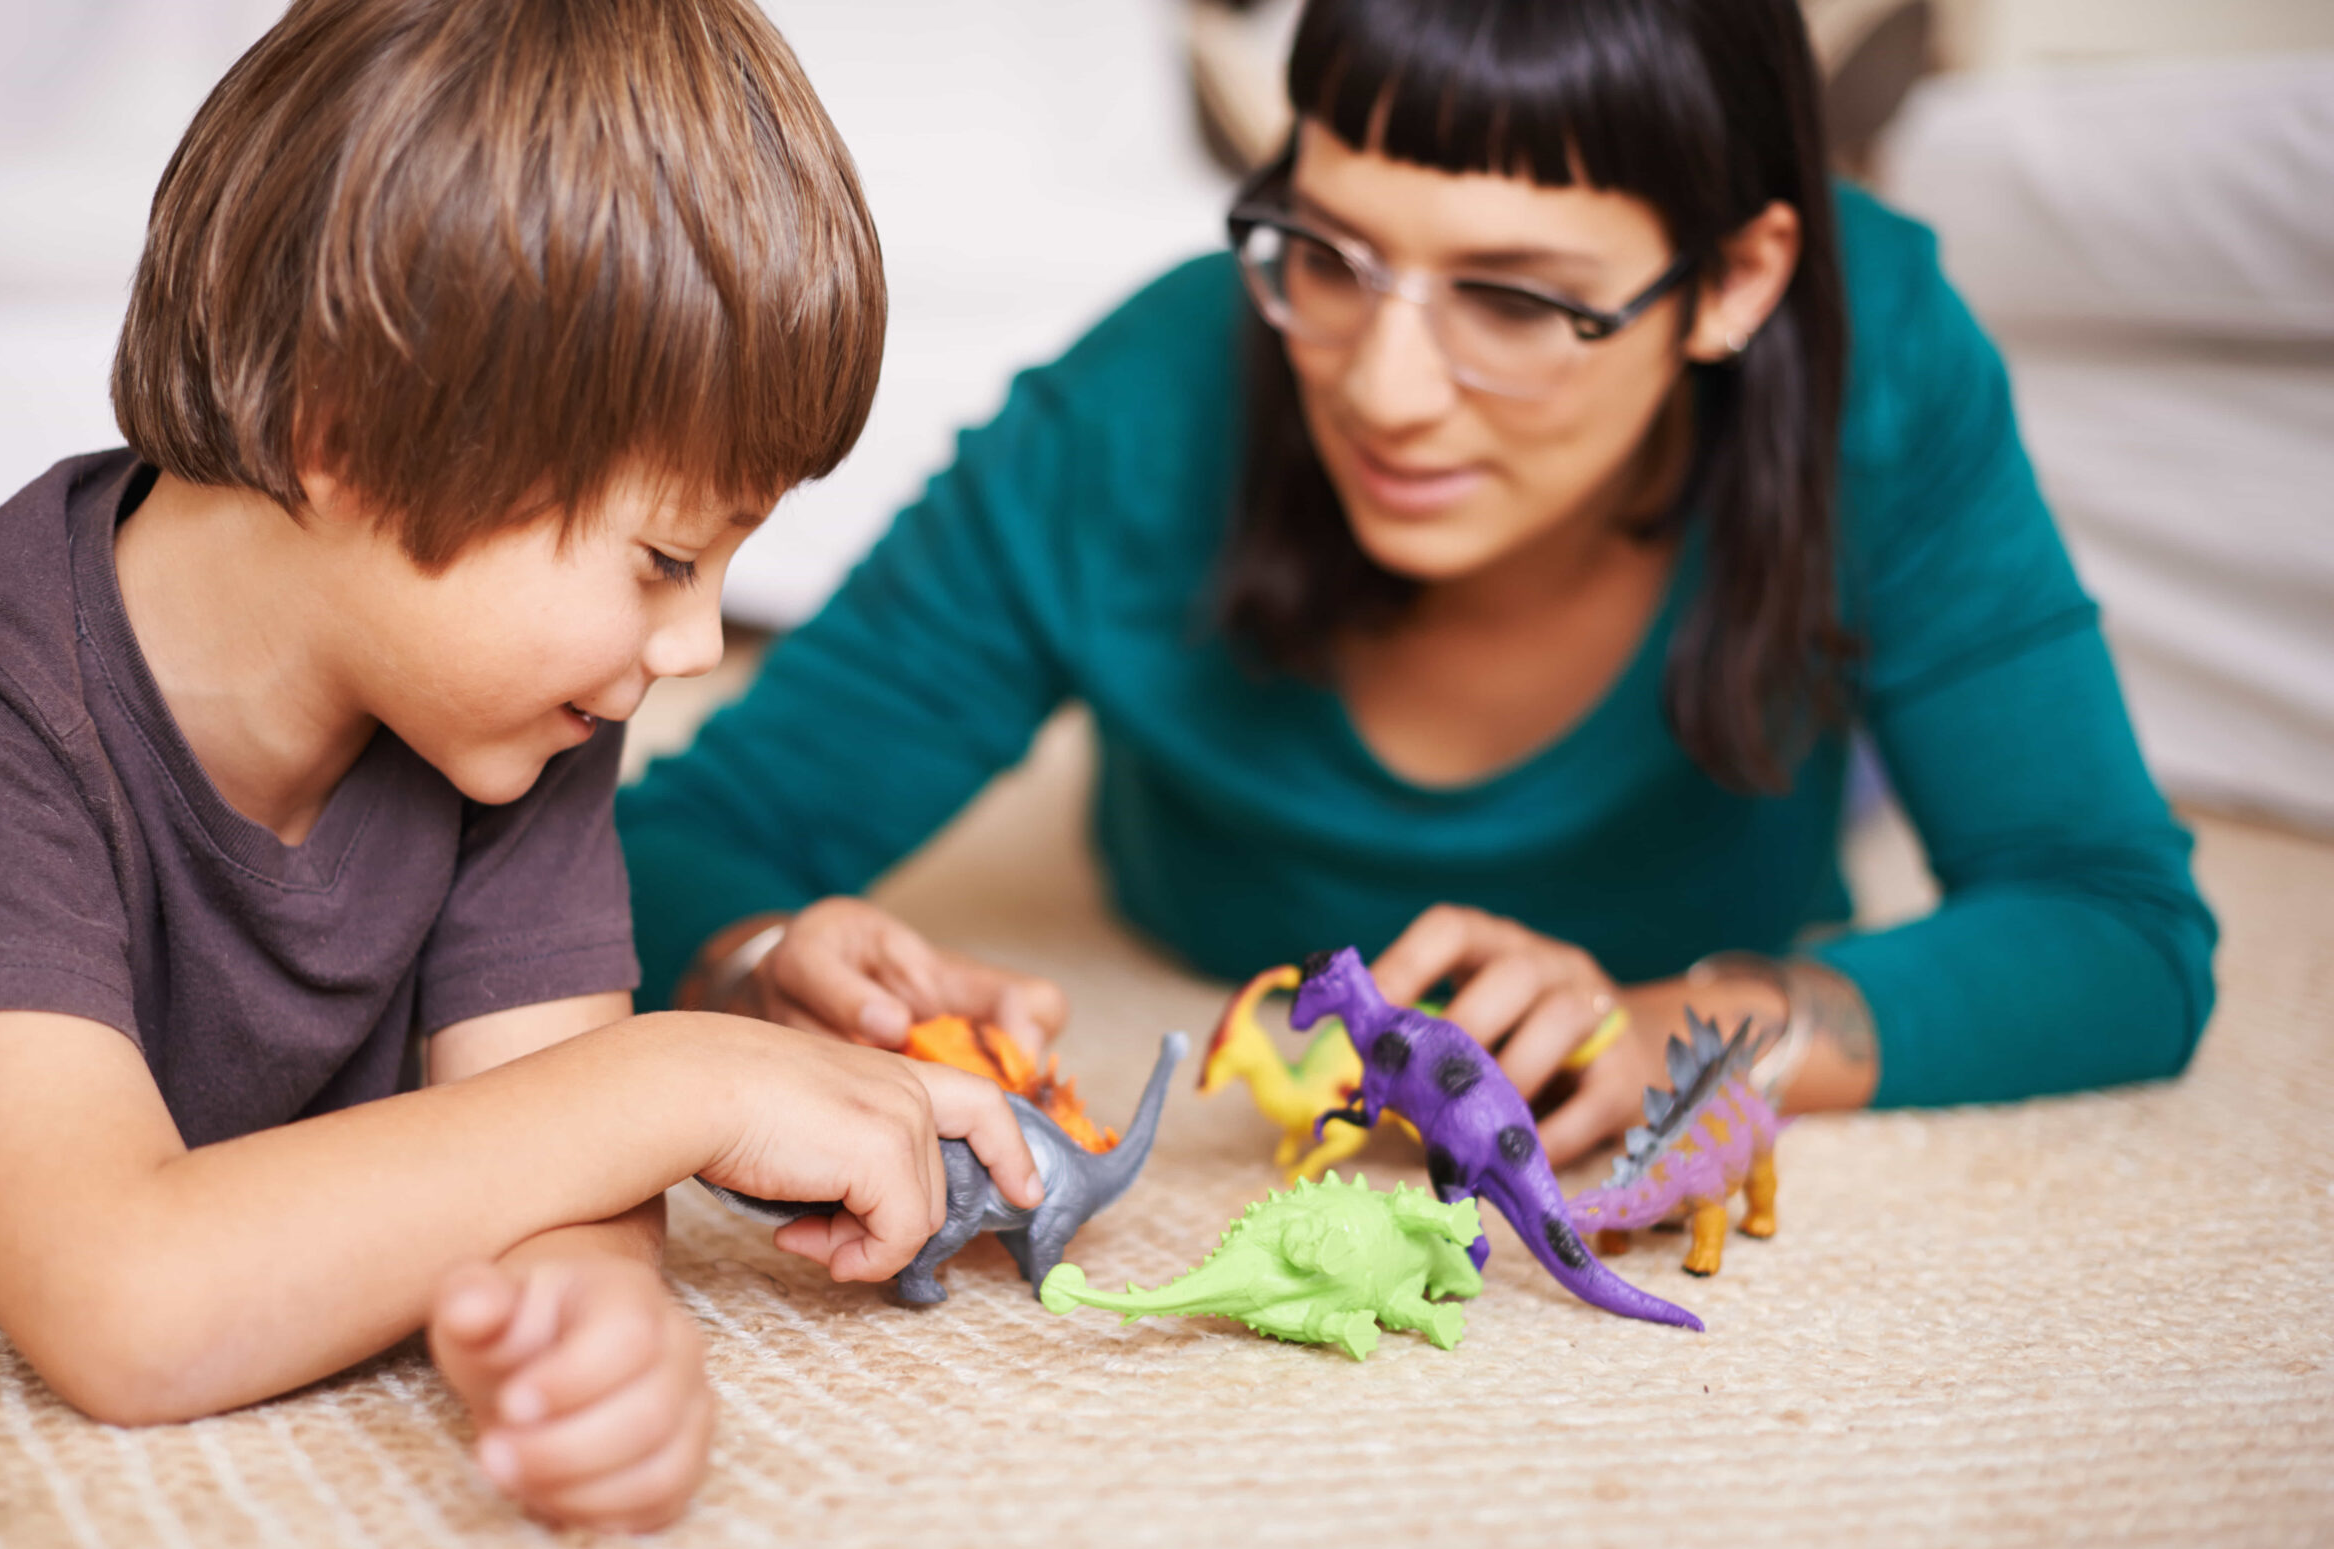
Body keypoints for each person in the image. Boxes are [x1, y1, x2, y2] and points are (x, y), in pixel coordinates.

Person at [0, 0, 1042, 1533]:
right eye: (660, 555)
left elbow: (541, 1133)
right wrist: (685, 1068)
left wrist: (593, 1317)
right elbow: (124, 1299)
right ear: (349, 430)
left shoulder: (506, 715)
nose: (701, 641)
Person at [619, 0, 2216, 1162]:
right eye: (1327, 252)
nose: (1383, 389)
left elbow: (2116, 928)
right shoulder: (1140, 409)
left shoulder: (1879, 357)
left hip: (1750, 795)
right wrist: (760, 957)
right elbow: (676, 837)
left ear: (1735, 280)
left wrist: (1685, 1020)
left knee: (1876, 745)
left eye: (1517, 300)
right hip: (1186, 897)